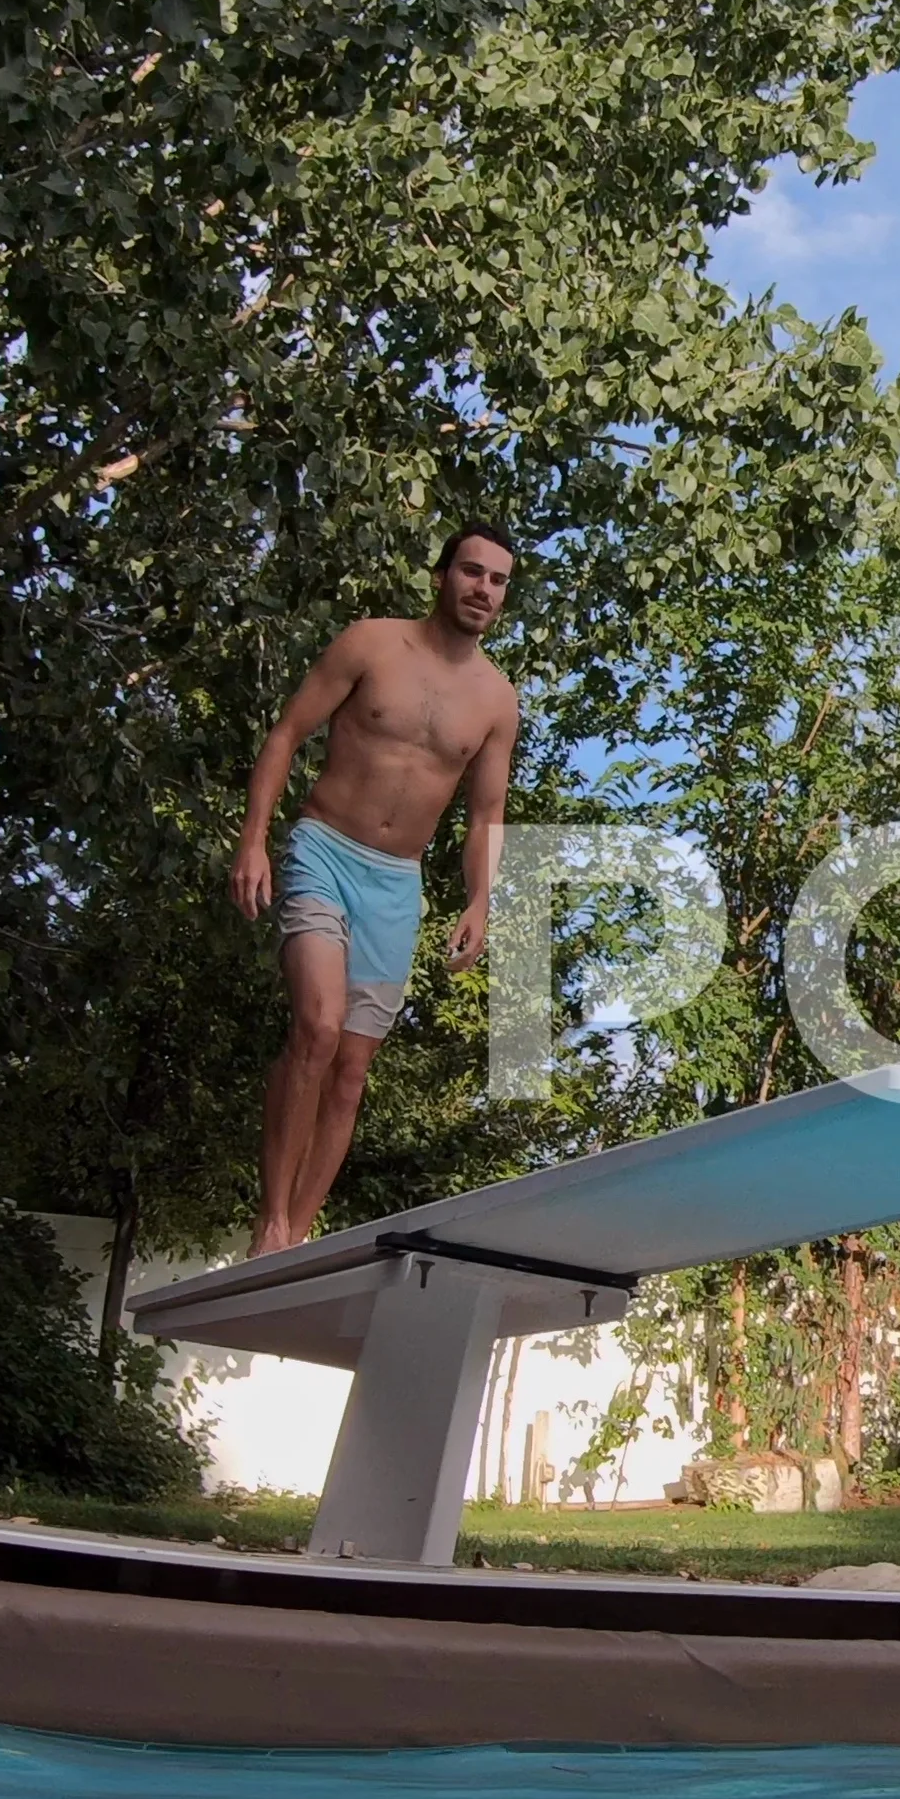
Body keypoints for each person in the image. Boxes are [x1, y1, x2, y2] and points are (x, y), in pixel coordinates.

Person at [230, 524, 522, 1254]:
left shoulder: (495, 701)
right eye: (471, 572)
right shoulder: (370, 643)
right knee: (319, 1027)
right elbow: (286, 735)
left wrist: (481, 899)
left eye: (497, 580)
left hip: (397, 882)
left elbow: (486, 812)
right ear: (442, 576)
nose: (482, 589)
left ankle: (297, 1233)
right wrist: (253, 839)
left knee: (352, 1071)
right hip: (324, 850)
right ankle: (269, 1224)